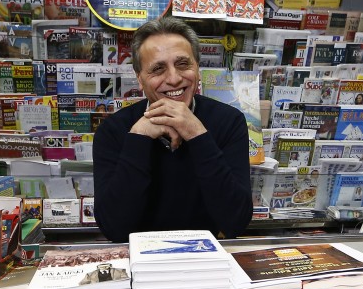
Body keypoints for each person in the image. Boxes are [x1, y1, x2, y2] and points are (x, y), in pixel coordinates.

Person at [93, 18, 251, 242]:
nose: (174, 79)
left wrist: (196, 132)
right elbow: (114, 228)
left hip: (203, 257)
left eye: (183, 64)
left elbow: (236, 222)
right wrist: (140, 136)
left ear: (197, 68)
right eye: (158, 69)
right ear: (140, 79)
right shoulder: (113, 129)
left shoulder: (229, 121)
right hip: (138, 261)